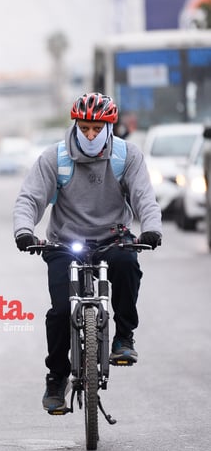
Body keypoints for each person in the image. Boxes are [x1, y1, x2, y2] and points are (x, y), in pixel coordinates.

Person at [13, 92, 162, 414]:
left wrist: (152, 228)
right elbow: (30, 199)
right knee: (61, 310)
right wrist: (24, 231)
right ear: (76, 125)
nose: (90, 135)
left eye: (97, 128)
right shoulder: (55, 157)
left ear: (110, 127)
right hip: (66, 242)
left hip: (113, 238)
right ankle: (56, 377)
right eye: (84, 128)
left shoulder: (127, 156)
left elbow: (144, 197)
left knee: (126, 264)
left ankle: (124, 336)